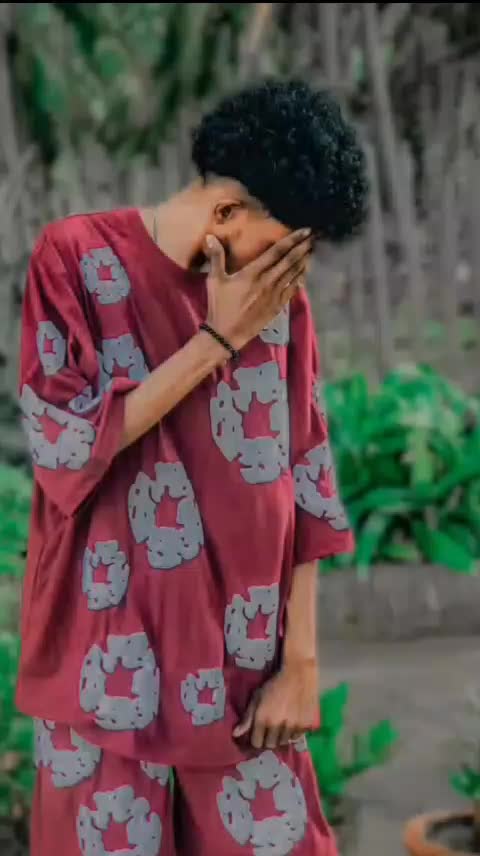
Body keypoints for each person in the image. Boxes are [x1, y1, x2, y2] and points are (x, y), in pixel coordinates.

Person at [17, 79, 368, 855]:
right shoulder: (74, 259)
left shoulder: (280, 301)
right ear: (226, 213)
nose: (295, 269)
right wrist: (217, 339)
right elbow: (62, 443)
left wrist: (301, 663)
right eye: (287, 244)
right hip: (104, 664)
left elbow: (307, 477)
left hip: (246, 669)